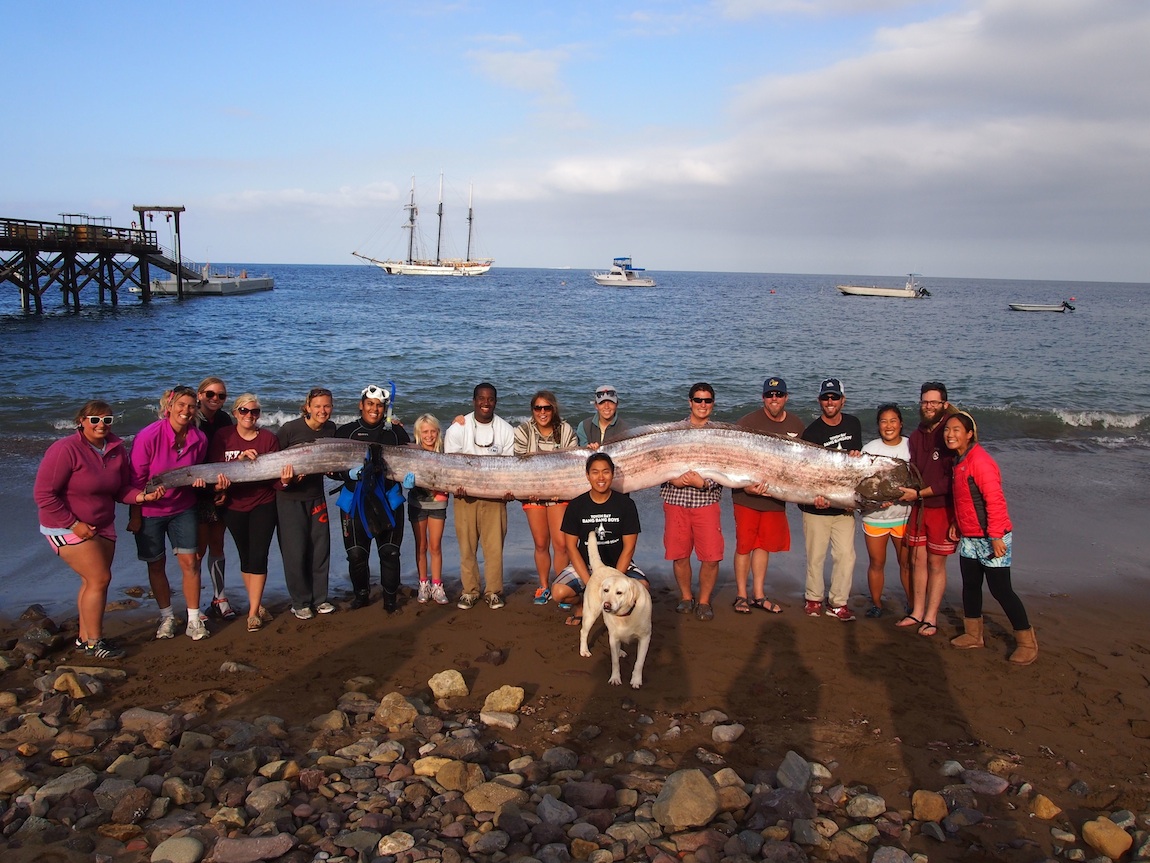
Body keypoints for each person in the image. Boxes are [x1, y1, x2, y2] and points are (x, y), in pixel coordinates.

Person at [34, 401, 163, 660]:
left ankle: (84, 638)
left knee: (91, 581)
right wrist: (73, 524)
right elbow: (44, 495)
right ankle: (95, 643)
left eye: (107, 420)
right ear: (81, 421)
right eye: (94, 420)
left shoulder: (116, 450)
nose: (101, 425)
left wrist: (143, 498)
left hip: (103, 524)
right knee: (99, 579)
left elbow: (120, 490)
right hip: (65, 525)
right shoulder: (65, 449)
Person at [943, 411, 1037, 664]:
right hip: (970, 537)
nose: (950, 435)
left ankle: (1026, 642)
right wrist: (956, 522)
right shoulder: (959, 460)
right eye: (947, 430)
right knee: (970, 586)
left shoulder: (980, 462)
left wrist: (995, 536)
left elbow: (994, 501)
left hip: (992, 536)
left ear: (969, 434)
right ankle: (973, 635)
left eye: (956, 430)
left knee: (1001, 590)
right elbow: (964, 499)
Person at [129, 385, 217, 641]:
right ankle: (166, 616)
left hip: (183, 507)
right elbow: (136, 479)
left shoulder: (199, 439)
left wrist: (199, 482)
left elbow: (195, 472)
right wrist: (135, 515)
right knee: (156, 564)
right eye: (181, 405)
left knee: (191, 562)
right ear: (168, 407)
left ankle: (193, 619)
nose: (186, 411)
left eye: (191, 406)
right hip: (149, 509)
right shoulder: (148, 436)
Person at [730, 376, 804, 615]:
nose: (774, 399)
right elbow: (731, 457)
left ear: (786, 397)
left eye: (779, 395)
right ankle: (741, 595)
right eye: (770, 395)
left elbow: (803, 466)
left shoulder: (796, 425)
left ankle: (758, 594)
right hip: (746, 497)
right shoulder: (747, 421)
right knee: (744, 546)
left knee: (763, 546)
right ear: (763, 398)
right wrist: (744, 486)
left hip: (775, 499)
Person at [209, 394, 281, 632]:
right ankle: (256, 603)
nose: (249, 415)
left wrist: (288, 480)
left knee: (259, 555)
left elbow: (275, 480)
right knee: (246, 555)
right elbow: (214, 469)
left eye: (255, 412)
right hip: (233, 504)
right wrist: (237, 463)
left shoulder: (268, 439)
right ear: (235, 413)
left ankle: (253, 613)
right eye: (244, 411)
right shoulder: (223, 436)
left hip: (263, 502)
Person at [335, 384, 411, 611]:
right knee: (356, 554)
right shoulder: (345, 432)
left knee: (390, 552)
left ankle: (389, 599)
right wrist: (346, 474)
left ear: (385, 408)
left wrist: (410, 479)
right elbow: (331, 467)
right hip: (354, 500)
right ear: (361, 405)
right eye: (370, 404)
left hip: (389, 499)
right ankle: (361, 595)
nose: (375, 409)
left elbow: (411, 462)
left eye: (379, 406)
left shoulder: (396, 432)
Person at [552, 452, 646, 626]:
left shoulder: (626, 504)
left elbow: (629, 547)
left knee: (642, 589)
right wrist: (591, 585)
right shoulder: (576, 505)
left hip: (618, 564)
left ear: (613, 474)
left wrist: (616, 578)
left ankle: (620, 616)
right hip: (587, 565)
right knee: (559, 592)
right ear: (587, 475)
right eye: (595, 472)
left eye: (606, 472)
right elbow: (571, 547)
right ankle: (581, 605)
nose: (600, 477)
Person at [443, 382, 515, 609]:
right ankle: (470, 590)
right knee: (467, 546)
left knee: (494, 548)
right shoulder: (457, 428)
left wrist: (507, 490)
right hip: (465, 497)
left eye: (490, 399)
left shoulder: (506, 429)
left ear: (496, 401)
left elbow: (510, 466)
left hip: (495, 499)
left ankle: (494, 591)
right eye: (481, 398)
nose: (486, 403)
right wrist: (457, 485)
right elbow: (450, 465)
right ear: (474, 400)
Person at [896, 382, 957, 637]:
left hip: (941, 508)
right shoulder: (918, 434)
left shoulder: (950, 432)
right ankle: (917, 611)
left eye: (933, 402)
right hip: (918, 508)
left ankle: (931, 617)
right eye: (924, 402)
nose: (928, 406)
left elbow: (950, 480)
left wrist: (919, 494)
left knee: (935, 563)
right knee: (917, 560)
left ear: (944, 404)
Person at [799, 378, 863, 621]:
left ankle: (838, 603)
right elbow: (805, 471)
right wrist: (814, 497)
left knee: (846, 556)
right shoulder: (812, 431)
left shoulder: (854, 424)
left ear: (842, 400)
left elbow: (855, 466)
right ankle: (813, 598)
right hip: (816, 506)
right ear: (819, 401)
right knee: (815, 556)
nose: (830, 402)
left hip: (844, 507)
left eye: (834, 397)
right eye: (826, 398)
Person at [661, 382, 724, 621]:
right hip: (675, 499)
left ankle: (705, 601)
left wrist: (705, 483)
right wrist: (673, 479)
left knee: (711, 556)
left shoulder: (720, 434)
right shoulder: (673, 431)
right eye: (698, 400)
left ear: (713, 404)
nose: (702, 405)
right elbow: (658, 462)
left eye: (707, 401)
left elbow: (729, 465)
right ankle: (686, 597)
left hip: (706, 501)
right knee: (679, 554)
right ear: (690, 402)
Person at [514, 389, 579, 605]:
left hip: (559, 492)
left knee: (561, 544)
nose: (542, 412)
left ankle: (561, 585)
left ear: (553, 409)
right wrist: (529, 489)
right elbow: (519, 465)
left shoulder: (565, 430)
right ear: (532, 410)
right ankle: (543, 585)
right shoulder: (523, 431)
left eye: (547, 408)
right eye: (538, 408)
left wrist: (556, 489)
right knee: (541, 543)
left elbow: (572, 462)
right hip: (533, 494)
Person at [277, 387, 337, 619]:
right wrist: (286, 480)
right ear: (308, 407)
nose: (323, 411)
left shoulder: (331, 429)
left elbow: (336, 460)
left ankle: (320, 599)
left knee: (321, 548)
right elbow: (271, 462)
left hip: (316, 496)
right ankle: (300, 601)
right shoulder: (289, 430)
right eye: (318, 406)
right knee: (296, 551)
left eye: (327, 406)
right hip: (289, 499)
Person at [860, 403, 913, 618]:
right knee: (876, 563)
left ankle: (912, 604)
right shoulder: (869, 449)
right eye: (883, 421)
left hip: (904, 517)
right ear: (878, 425)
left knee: (906, 564)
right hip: (875, 517)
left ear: (900, 423)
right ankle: (876, 604)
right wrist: (873, 500)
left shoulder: (912, 447)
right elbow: (861, 484)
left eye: (893, 421)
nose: (888, 425)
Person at [196, 376, 237, 621]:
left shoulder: (223, 420)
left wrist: (222, 489)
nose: (215, 399)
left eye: (221, 396)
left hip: (219, 486)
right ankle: (194, 604)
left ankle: (219, 597)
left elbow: (227, 455)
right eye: (210, 394)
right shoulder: (192, 419)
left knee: (217, 543)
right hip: (195, 489)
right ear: (200, 395)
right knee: (198, 549)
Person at [408, 413, 450, 605]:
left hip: (438, 503)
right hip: (417, 503)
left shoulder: (444, 451)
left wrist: (458, 420)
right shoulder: (412, 451)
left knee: (435, 546)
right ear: (418, 433)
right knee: (421, 546)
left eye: (433, 431)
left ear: (438, 432)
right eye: (425, 432)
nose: (429, 435)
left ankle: (437, 585)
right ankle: (423, 583)